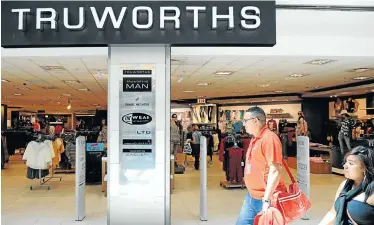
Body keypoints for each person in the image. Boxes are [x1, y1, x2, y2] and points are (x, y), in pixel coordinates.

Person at [237, 107, 285, 225]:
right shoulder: (255, 138)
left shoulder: (269, 138)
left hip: (266, 198)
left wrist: (267, 199)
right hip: (252, 196)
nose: (243, 124)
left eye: (245, 120)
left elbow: (275, 170)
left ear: (255, 120)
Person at [318, 146, 374, 225]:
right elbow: (333, 213)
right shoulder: (344, 186)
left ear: (365, 168)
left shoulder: (371, 192)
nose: (345, 166)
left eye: (351, 163)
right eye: (345, 162)